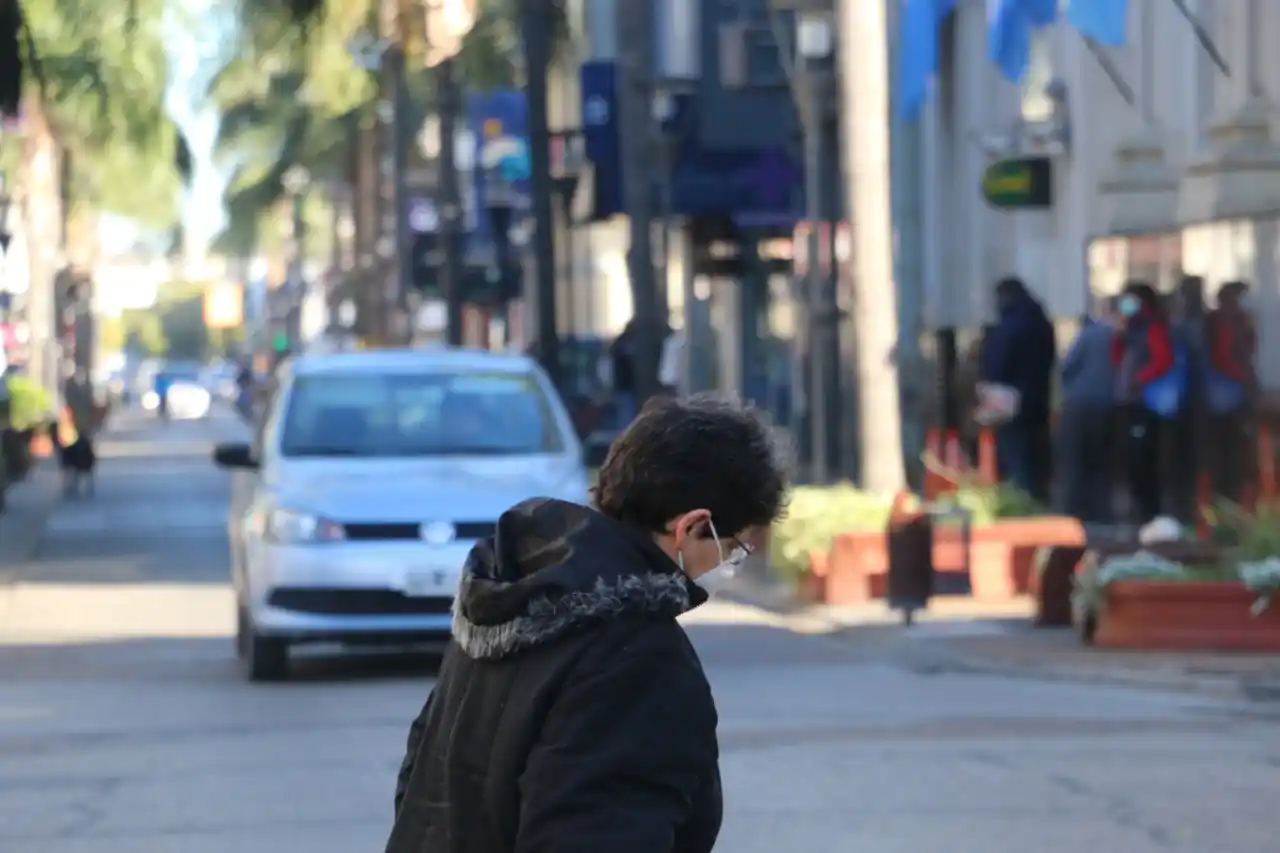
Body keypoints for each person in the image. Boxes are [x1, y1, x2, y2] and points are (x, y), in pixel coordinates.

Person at [385, 394, 789, 853]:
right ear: (692, 526)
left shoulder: (512, 590)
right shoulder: (639, 660)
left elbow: (419, 777)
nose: (729, 562)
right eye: (733, 547)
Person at [979, 277, 1056, 501]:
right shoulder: (1041, 322)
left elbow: (997, 364)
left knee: (1015, 456)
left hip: (1009, 400)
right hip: (1038, 398)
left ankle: (1022, 503)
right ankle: (1038, 500)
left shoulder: (1010, 325)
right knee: (1035, 456)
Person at [1110, 281, 1176, 524]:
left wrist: (1141, 378)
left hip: (1146, 403)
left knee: (1144, 458)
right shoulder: (1129, 328)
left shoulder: (1153, 326)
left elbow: (1163, 358)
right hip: (1129, 400)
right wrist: (1119, 334)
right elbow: (1116, 358)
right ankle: (1141, 508)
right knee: (1132, 459)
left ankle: (1151, 511)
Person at [1057, 299, 1118, 523]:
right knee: (1101, 462)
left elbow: (1067, 366)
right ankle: (1101, 511)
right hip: (1110, 406)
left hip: (1079, 403)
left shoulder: (1090, 334)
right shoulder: (1124, 336)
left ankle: (1073, 511)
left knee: (1074, 459)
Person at [1205, 280, 1257, 502]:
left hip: (1226, 390)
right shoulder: (1223, 322)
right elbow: (1223, 357)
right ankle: (1227, 494)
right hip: (1227, 391)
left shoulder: (1230, 321)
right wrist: (1243, 375)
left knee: (1228, 445)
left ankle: (1227, 493)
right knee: (1230, 445)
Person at [1168, 276, 1209, 521]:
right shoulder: (1201, 323)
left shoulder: (1186, 326)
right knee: (1192, 457)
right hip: (1194, 399)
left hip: (1186, 401)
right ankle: (1194, 508)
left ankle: (1190, 509)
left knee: (1185, 458)